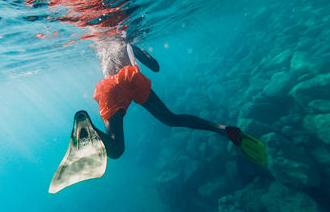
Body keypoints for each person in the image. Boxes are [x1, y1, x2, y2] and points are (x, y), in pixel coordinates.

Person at [90, 37, 245, 159]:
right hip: (131, 81)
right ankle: (221, 129)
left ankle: (87, 129)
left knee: (116, 149)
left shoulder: (101, 50)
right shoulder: (127, 45)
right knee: (172, 119)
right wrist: (145, 54)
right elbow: (155, 67)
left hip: (108, 89)